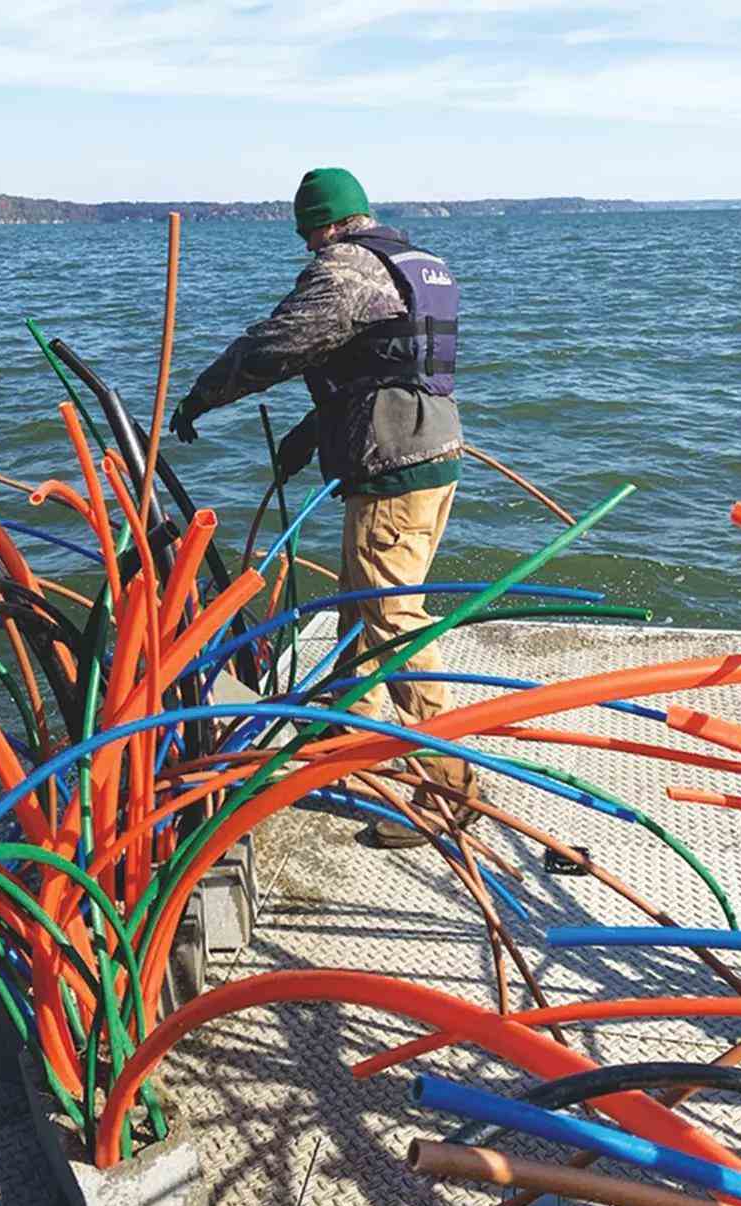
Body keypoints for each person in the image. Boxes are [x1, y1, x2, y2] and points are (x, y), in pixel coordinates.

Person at [169, 166, 477, 847]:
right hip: (431, 452)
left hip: (394, 464)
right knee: (354, 615)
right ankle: (355, 750)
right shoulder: (416, 261)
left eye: (309, 234)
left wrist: (200, 395)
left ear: (320, 223)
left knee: (393, 620)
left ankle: (447, 790)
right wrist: (313, 435)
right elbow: (383, 363)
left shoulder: (345, 269)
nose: (310, 249)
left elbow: (277, 346)